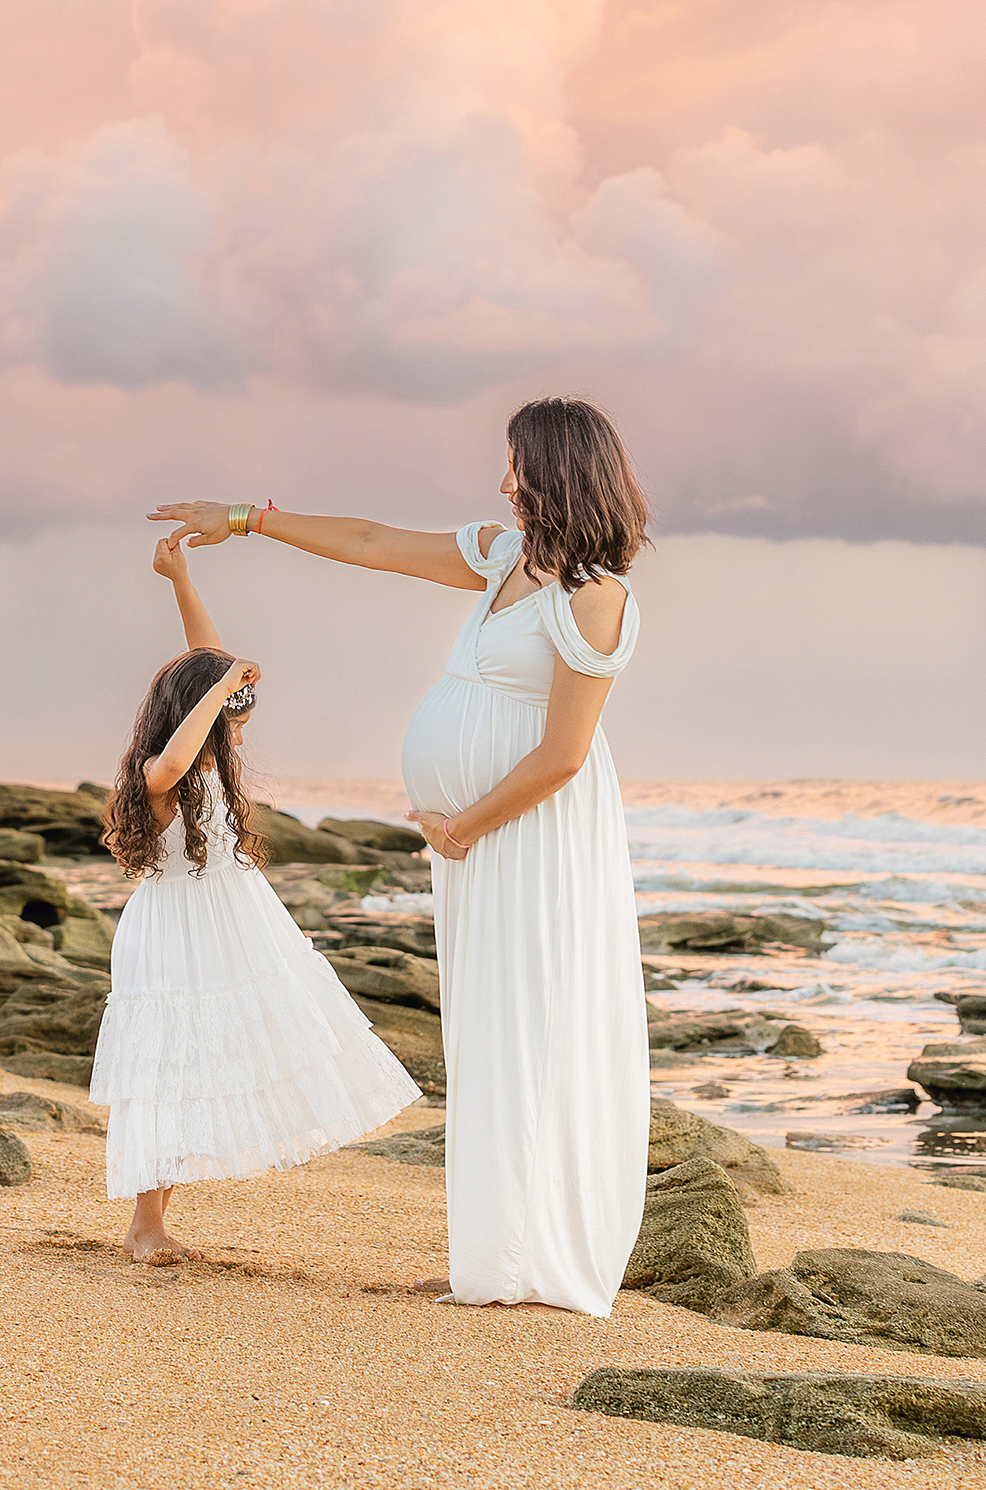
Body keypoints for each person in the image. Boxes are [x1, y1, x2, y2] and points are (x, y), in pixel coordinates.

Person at [150, 394, 649, 1314]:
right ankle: (493, 1263)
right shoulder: (505, 559)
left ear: (565, 472)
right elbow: (373, 541)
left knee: (531, 1024)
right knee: (485, 1026)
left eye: (519, 466)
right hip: (479, 840)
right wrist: (246, 519)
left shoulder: (595, 597)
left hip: (530, 838)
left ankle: (542, 1263)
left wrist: (467, 824)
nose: (505, 483)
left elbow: (564, 755)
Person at [90, 534, 421, 1263]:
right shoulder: (163, 768)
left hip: (231, 921)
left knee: (221, 1056)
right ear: (196, 711)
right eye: (232, 703)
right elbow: (184, 733)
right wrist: (219, 685)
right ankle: (145, 1224)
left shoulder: (209, 748)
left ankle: (155, 1220)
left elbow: (203, 659)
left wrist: (180, 578)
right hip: (176, 929)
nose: (241, 713)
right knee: (170, 1067)